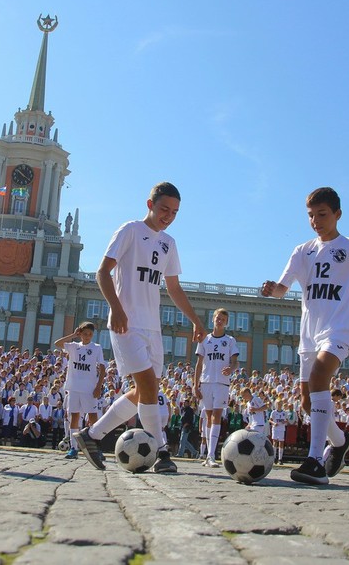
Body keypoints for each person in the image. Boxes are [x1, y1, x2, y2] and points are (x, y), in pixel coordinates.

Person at [261, 187, 349, 486]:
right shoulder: (302, 251)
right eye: (310, 215)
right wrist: (272, 290)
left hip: (338, 328)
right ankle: (340, 441)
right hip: (309, 334)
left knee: (320, 376)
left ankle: (315, 462)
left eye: (321, 214)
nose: (315, 221)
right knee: (307, 403)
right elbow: (283, 289)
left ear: (337, 214)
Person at [73, 182, 205, 474]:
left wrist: (196, 320)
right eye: (164, 209)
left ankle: (91, 435)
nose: (168, 216)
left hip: (152, 327)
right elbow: (102, 273)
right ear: (150, 205)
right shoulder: (130, 230)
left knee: (145, 390)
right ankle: (161, 451)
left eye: (174, 212)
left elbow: (173, 288)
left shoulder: (169, 243)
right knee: (147, 386)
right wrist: (117, 309)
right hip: (126, 324)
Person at [192, 308, 239, 467]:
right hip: (206, 381)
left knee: (216, 415)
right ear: (213, 319)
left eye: (223, 319)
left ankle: (211, 455)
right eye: (218, 318)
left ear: (226, 323)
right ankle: (207, 455)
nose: (220, 321)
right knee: (208, 416)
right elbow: (199, 364)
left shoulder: (230, 340)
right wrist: (195, 385)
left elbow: (235, 362)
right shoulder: (205, 340)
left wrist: (231, 369)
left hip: (222, 383)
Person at [53, 323, 106, 459]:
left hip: (89, 389)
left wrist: (98, 386)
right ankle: (73, 448)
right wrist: (73, 335)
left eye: (90, 334)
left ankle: (97, 448)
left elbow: (102, 368)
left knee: (93, 417)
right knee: (74, 417)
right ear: (80, 333)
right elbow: (57, 343)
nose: (87, 336)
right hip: (74, 388)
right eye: (85, 333)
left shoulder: (96, 348)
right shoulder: (73, 346)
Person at [269, 400, 289, 465]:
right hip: (275, 429)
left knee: (281, 443)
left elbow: (287, 420)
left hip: (282, 429)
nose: (279, 405)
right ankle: (274, 457)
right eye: (278, 404)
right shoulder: (274, 412)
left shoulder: (284, 412)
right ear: (276, 405)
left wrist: (284, 422)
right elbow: (270, 420)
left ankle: (280, 459)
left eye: (280, 404)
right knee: (275, 442)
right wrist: (274, 423)